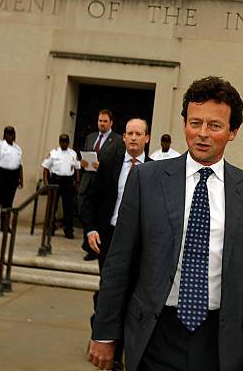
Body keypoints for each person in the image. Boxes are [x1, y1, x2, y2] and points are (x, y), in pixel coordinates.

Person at [88, 76, 243, 371]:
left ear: (233, 131)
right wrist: (104, 332)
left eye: (214, 126)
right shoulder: (146, 180)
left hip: (219, 342)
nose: (202, 134)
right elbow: (119, 264)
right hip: (156, 333)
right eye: (195, 123)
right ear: (184, 124)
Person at [83, 118, 151, 370]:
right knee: (110, 289)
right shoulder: (109, 164)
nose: (134, 138)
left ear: (147, 138)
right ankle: (100, 329)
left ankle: (117, 349)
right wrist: (90, 230)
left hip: (138, 243)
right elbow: (89, 198)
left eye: (139, 134)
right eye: (130, 133)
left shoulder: (154, 171)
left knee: (130, 294)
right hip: (109, 238)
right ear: (123, 137)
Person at [79, 109, 124, 260]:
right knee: (86, 210)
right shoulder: (90, 137)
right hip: (88, 181)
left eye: (105, 121)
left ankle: (95, 248)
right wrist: (83, 163)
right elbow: (85, 155)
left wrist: (102, 166)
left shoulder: (117, 140)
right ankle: (88, 244)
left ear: (111, 123)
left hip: (104, 184)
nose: (102, 123)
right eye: (100, 121)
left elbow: (117, 162)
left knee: (98, 214)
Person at [42, 134, 81, 239]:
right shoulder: (54, 153)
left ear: (68, 142)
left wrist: (77, 181)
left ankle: (68, 230)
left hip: (68, 182)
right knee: (52, 206)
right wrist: (46, 183)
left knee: (68, 207)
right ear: (59, 142)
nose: (64, 143)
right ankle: (50, 228)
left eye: (66, 141)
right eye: (62, 141)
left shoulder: (73, 153)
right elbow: (45, 167)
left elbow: (77, 168)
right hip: (55, 180)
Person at [0, 126, 23, 233]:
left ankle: (5, 226)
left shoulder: (18, 148)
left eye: (12, 134)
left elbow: (20, 165)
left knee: (8, 202)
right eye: (8, 133)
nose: (11, 136)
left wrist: (21, 179)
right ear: (5, 134)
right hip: (0, 175)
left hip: (13, 177)